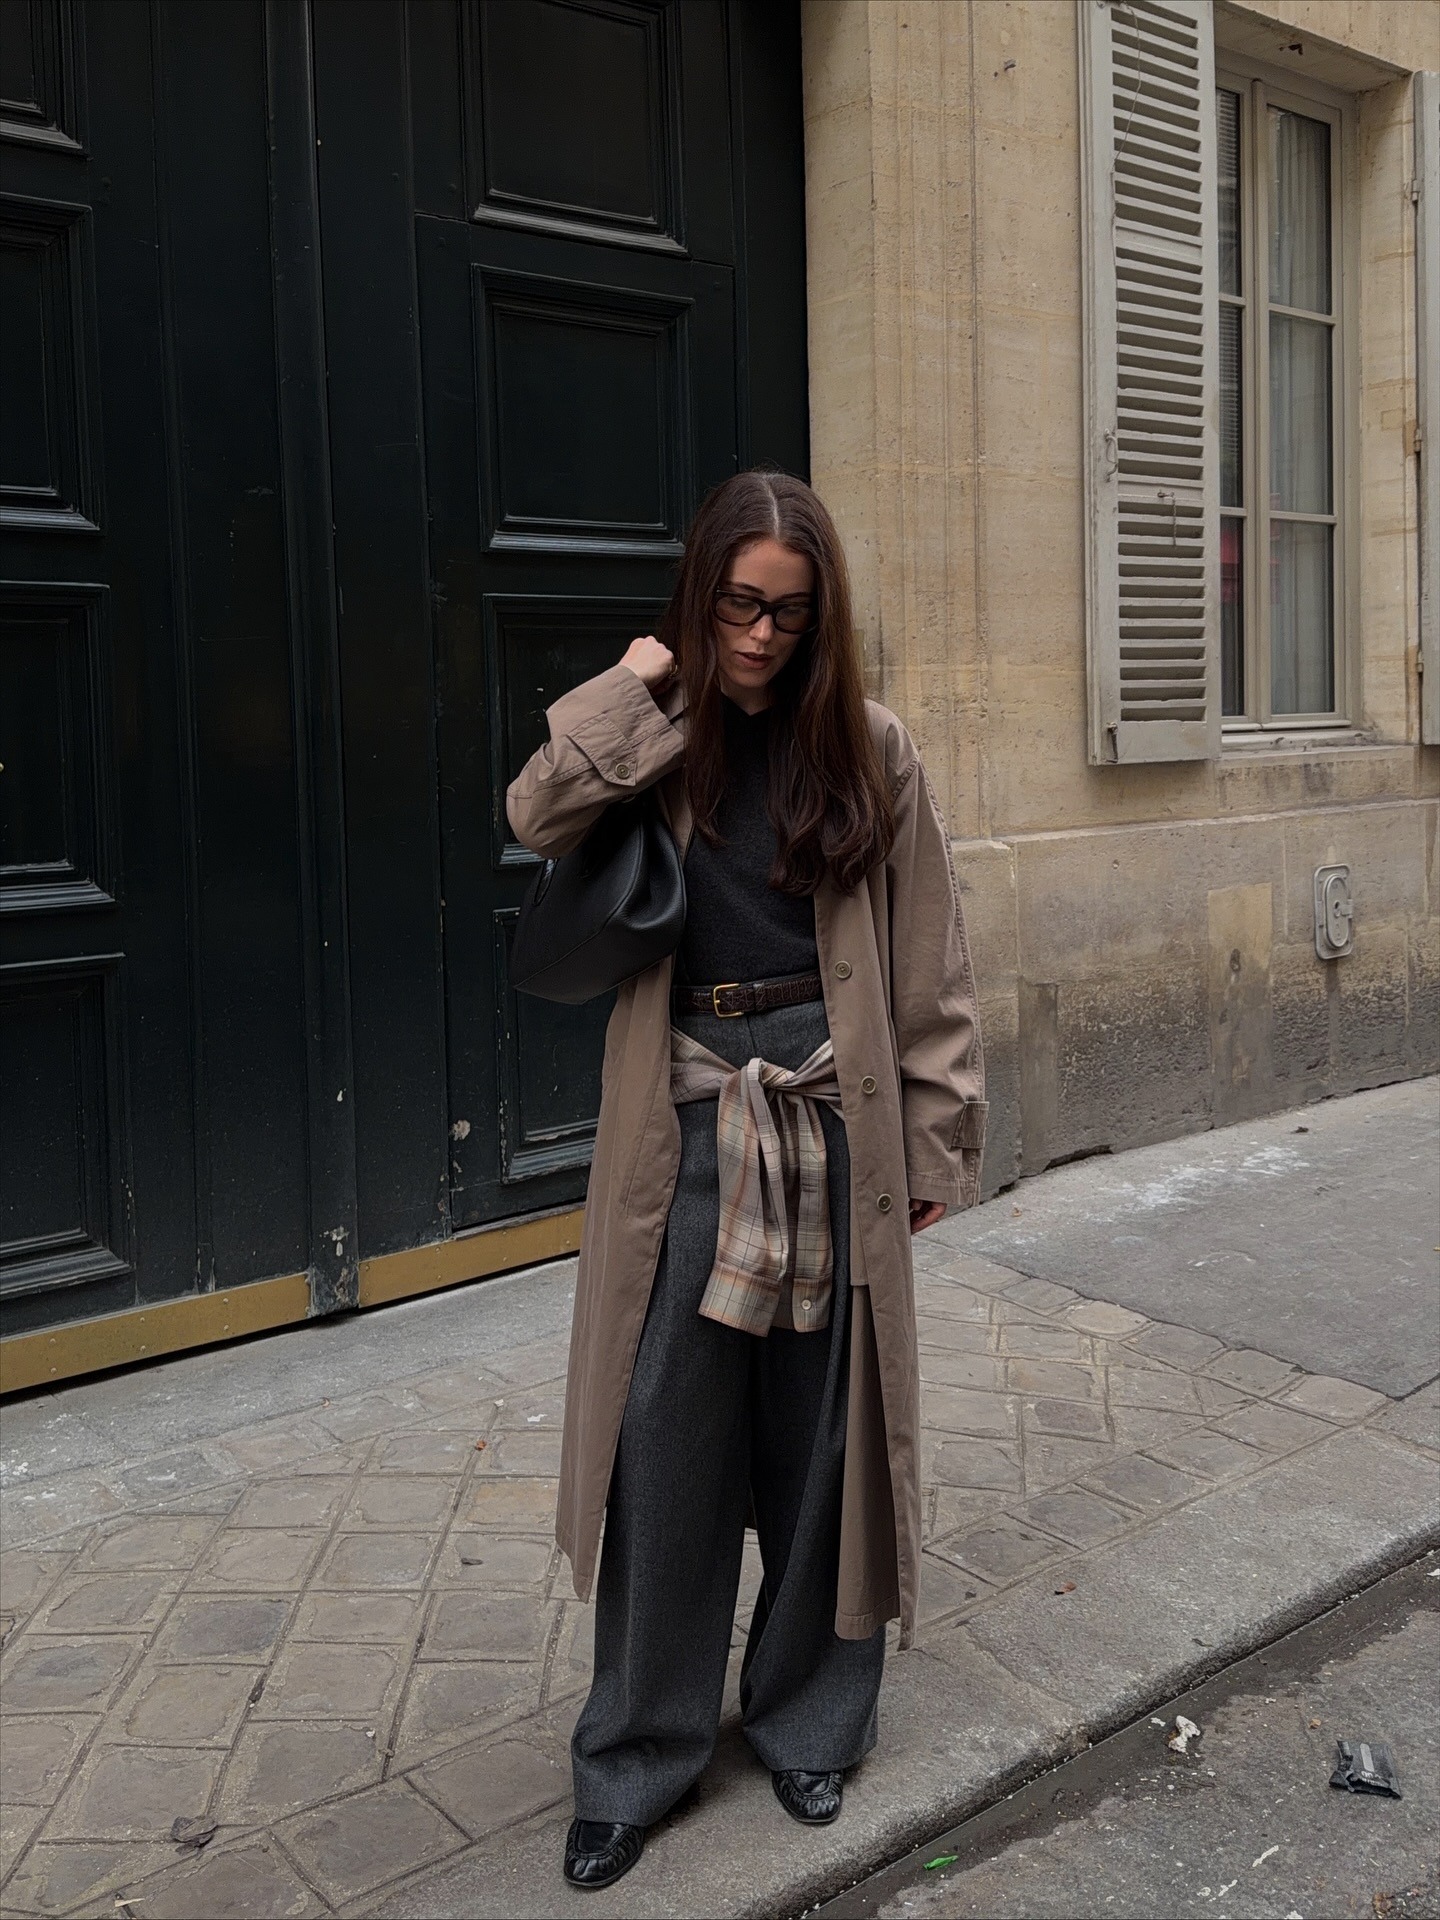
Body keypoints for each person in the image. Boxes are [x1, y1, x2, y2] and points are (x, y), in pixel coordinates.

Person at [506, 469, 986, 1892]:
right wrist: (634, 678)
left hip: (835, 1111)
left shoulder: (871, 747)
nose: (763, 636)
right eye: (737, 604)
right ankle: (636, 1758)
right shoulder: (656, 733)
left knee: (820, 1442)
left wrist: (938, 1134)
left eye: (790, 609)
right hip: (691, 1116)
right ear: (700, 595)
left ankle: (808, 1721)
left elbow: (931, 959)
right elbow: (535, 813)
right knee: (664, 1444)